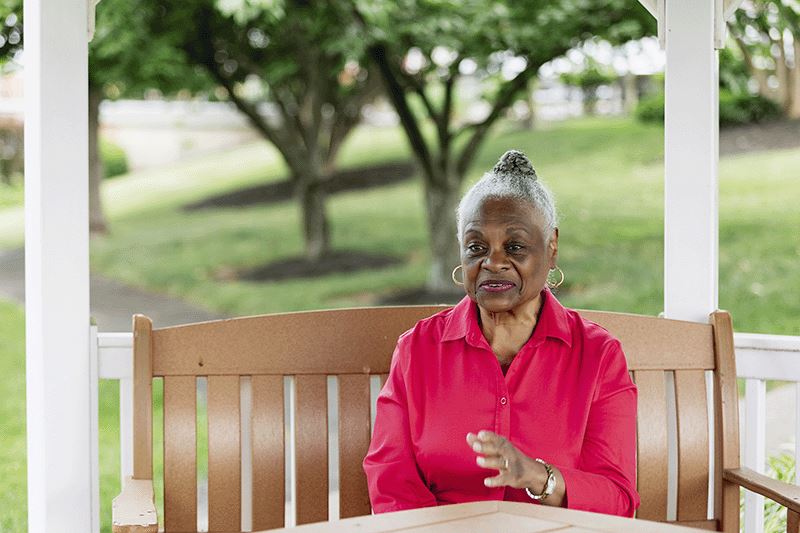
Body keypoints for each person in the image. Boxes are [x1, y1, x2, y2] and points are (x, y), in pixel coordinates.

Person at [362, 150, 639, 517]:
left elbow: (617, 498)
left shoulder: (597, 355)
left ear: (551, 247)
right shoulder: (419, 349)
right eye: (476, 247)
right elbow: (391, 480)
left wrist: (537, 476)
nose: (492, 263)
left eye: (515, 247)